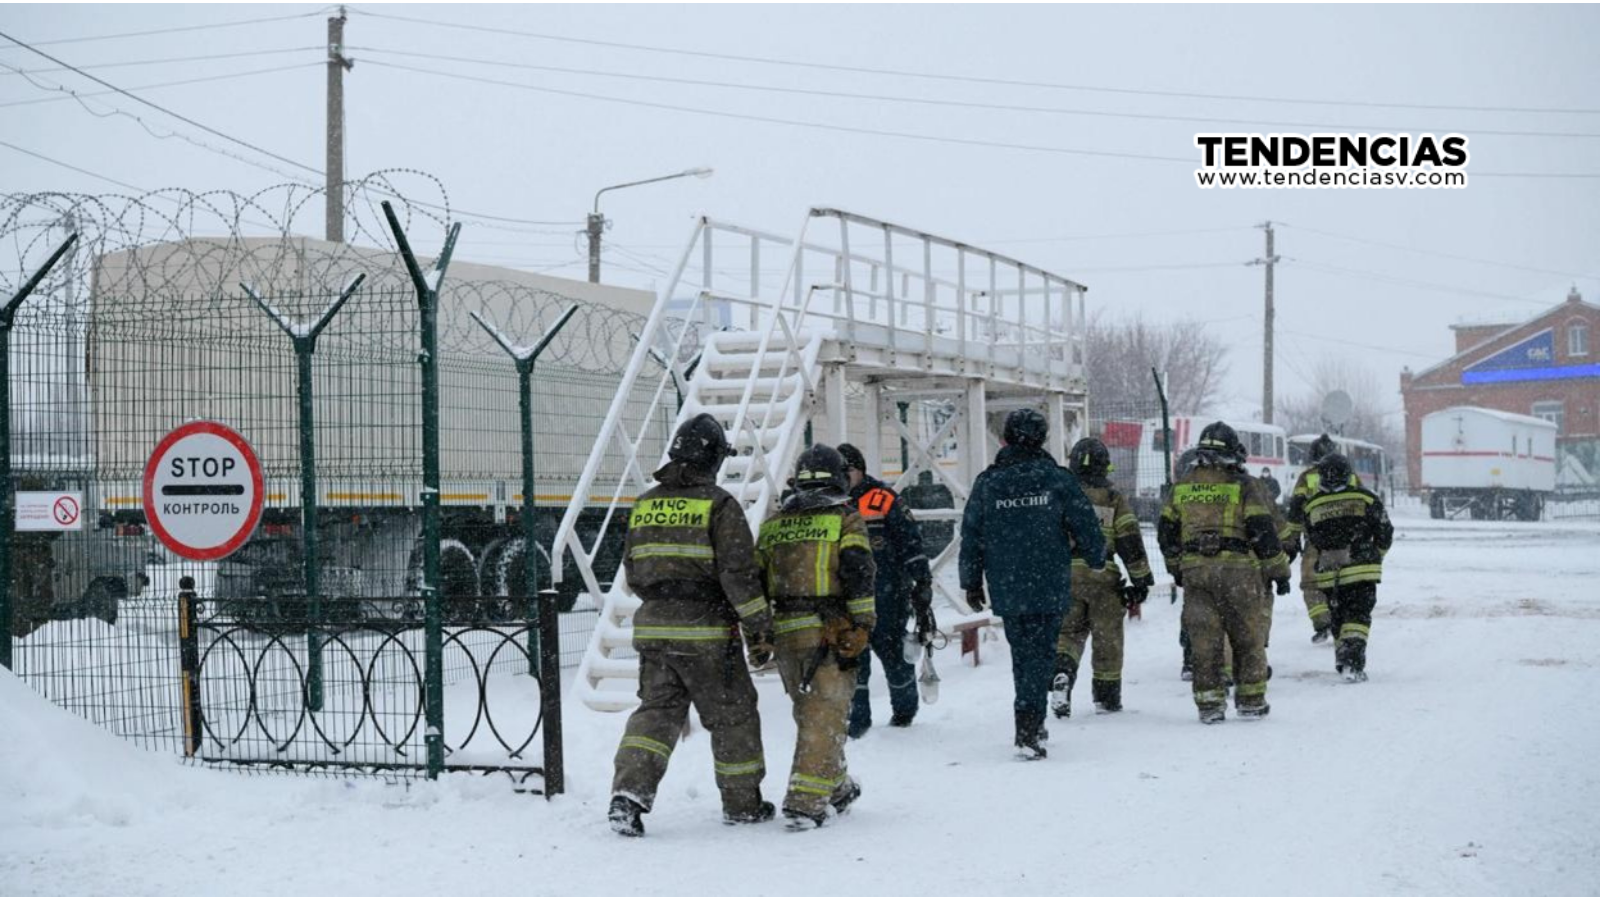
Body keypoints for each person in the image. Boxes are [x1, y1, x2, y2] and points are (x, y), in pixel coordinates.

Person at [608, 414, 776, 837]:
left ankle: (628, 795)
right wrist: (759, 625)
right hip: (706, 632)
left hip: (653, 629)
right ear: (714, 458)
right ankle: (742, 804)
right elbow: (738, 575)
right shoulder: (720, 506)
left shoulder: (645, 503)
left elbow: (631, 568)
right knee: (733, 715)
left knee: (655, 715)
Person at [959, 408, 1106, 759]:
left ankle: (1031, 718)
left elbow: (971, 533)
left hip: (1007, 583)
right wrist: (1096, 555)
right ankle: (1028, 728)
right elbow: (1083, 521)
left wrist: (971, 581)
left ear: (1006, 438)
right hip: (1049, 580)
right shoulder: (1056, 479)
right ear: (1042, 438)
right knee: (1041, 651)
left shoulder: (989, 482)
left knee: (1023, 653)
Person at [755, 444, 877, 829]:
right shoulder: (845, 518)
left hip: (787, 635)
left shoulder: (773, 524)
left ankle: (837, 788)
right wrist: (862, 624)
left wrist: (757, 636)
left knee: (812, 713)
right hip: (829, 632)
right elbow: (859, 571)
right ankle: (804, 803)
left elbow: (755, 581)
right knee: (824, 718)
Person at [1157, 422, 1290, 724]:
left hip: (1196, 573)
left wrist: (1177, 567)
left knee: (1204, 640)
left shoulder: (1183, 486)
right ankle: (1251, 700)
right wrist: (1279, 571)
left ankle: (1209, 704)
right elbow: (1262, 531)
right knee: (1247, 636)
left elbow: (1166, 533)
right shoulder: (1245, 485)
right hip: (1238, 572)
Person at [836, 443, 933, 738]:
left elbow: (910, 542)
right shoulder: (832, 504)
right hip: (848, 599)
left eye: (846, 471)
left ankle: (904, 712)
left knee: (893, 656)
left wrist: (921, 581)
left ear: (860, 470)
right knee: (854, 660)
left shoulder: (883, 499)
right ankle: (858, 720)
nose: (841, 477)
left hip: (887, 595)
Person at [1052, 437, 1154, 717]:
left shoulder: (1058, 496)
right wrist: (1141, 580)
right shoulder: (1113, 499)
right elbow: (1129, 541)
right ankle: (1106, 697)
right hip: (1103, 579)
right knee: (1107, 638)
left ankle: (1062, 673)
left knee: (1068, 634)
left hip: (1064, 577)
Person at [1295, 453, 1394, 682]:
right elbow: (1385, 531)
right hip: (1362, 571)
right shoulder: (1366, 499)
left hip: (1330, 573)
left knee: (1338, 616)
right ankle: (1353, 663)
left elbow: (1313, 538)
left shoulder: (1313, 505)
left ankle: (1342, 658)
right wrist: (1375, 554)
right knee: (1358, 617)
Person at [1282, 434, 1342, 643]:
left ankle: (1322, 622)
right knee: (1345, 582)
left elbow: (1296, 510)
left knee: (1311, 583)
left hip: (1316, 541)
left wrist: (1291, 540)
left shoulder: (1306, 478)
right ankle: (1343, 622)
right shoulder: (1350, 476)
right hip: (1347, 542)